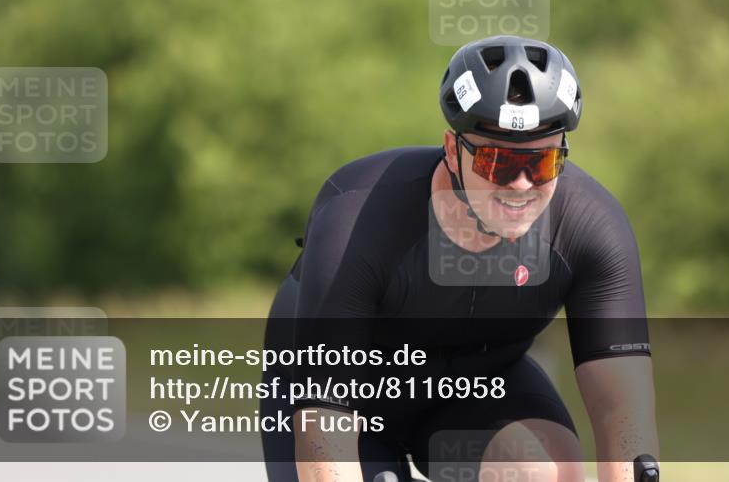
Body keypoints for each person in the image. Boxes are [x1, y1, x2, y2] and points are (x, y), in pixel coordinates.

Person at [262, 35, 660, 482]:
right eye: (497, 163)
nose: (522, 185)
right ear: (453, 152)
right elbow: (324, 433)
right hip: (350, 391)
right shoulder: (356, 219)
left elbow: (623, 422)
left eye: (543, 162)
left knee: (547, 472)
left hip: (479, 387)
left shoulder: (592, 227)